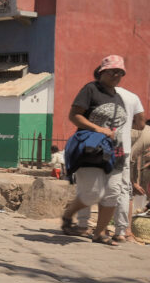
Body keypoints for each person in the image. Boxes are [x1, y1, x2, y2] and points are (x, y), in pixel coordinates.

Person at [61, 56, 136, 243]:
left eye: (120, 73)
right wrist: (98, 129)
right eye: (113, 71)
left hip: (115, 151)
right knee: (93, 192)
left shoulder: (118, 96)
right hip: (92, 148)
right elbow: (74, 115)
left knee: (113, 192)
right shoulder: (90, 89)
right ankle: (69, 214)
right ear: (102, 72)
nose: (117, 75)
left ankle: (99, 233)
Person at [76, 75, 144, 242]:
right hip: (121, 149)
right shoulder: (132, 96)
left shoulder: (93, 93)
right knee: (120, 189)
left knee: (89, 185)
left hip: (94, 147)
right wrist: (125, 126)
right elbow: (141, 124)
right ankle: (121, 231)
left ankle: (83, 226)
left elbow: (81, 117)